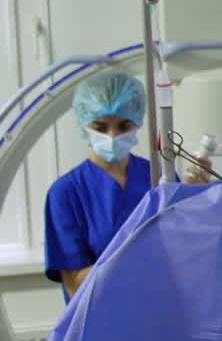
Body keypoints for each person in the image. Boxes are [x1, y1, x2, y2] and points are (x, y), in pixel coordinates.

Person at [44, 72, 151, 300]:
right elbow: (75, 286)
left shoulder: (157, 177)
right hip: (100, 315)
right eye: (101, 128)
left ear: (137, 120)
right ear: (85, 125)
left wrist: (199, 195)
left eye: (124, 126)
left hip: (161, 310)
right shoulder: (66, 193)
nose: (112, 136)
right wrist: (132, 256)